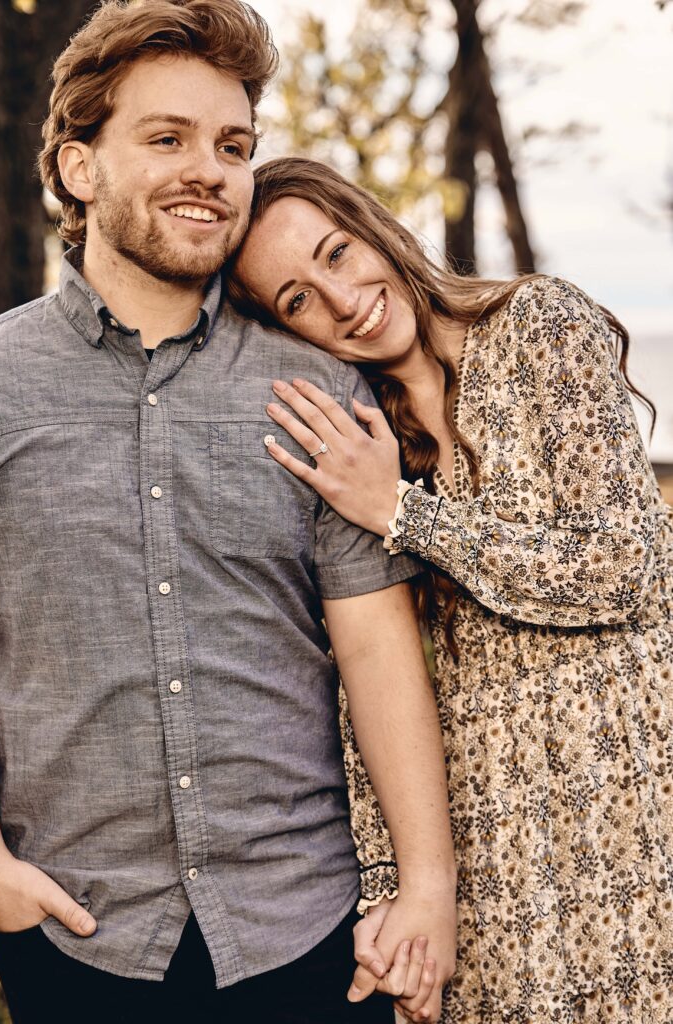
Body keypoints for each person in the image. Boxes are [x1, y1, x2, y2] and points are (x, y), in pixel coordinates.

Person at [0, 7, 457, 1023]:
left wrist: (426, 888)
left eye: (233, 146)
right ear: (79, 169)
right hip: (77, 936)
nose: (209, 169)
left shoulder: (320, 387)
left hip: (311, 931)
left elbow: (378, 647)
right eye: (167, 139)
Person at [229, 156, 673, 1023]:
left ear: (375, 231)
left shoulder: (541, 326)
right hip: (494, 854)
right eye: (296, 301)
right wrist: (391, 890)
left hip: (634, 810)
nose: (341, 298)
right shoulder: (358, 437)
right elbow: (365, 679)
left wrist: (407, 514)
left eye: (336, 253)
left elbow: (625, 567)